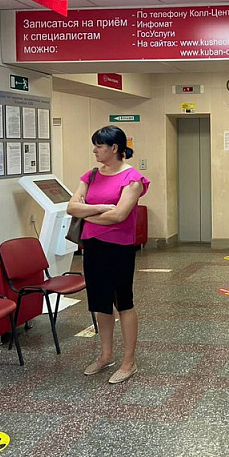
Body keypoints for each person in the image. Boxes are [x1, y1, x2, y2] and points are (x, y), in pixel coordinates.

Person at [67, 126, 149, 384]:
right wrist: (101, 207)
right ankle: (105, 355)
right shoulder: (90, 175)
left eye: (99, 146)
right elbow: (71, 207)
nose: (94, 150)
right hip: (93, 246)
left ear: (114, 148)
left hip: (119, 247)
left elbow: (120, 215)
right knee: (100, 303)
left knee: (123, 302)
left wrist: (88, 213)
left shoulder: (133, 179)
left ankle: (129, 361)